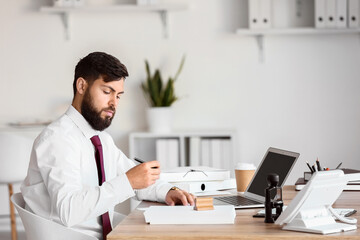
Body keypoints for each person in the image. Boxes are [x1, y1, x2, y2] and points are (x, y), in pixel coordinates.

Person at [21, 52, 195, 240]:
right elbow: (69, 210)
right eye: (107, 92)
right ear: (81, 86)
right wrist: (128, 181)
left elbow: (136, 179)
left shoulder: (101, 139)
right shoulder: (57, 139)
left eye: (118, 95)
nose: (114, 103)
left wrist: (168, 191)